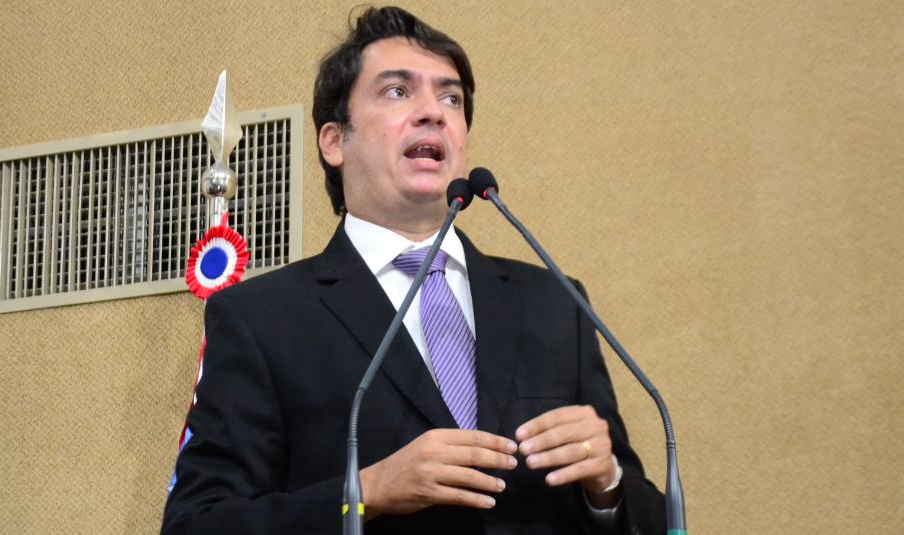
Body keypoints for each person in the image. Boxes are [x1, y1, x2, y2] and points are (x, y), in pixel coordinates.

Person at [162, 6, 665, 534]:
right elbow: (196, 524)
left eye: (451, 99)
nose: (433, 113)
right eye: (398, 91)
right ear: (334, 140)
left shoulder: (554, 302)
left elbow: (653, 518)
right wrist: (366, 492)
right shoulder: (262, 318)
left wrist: (608, 485)